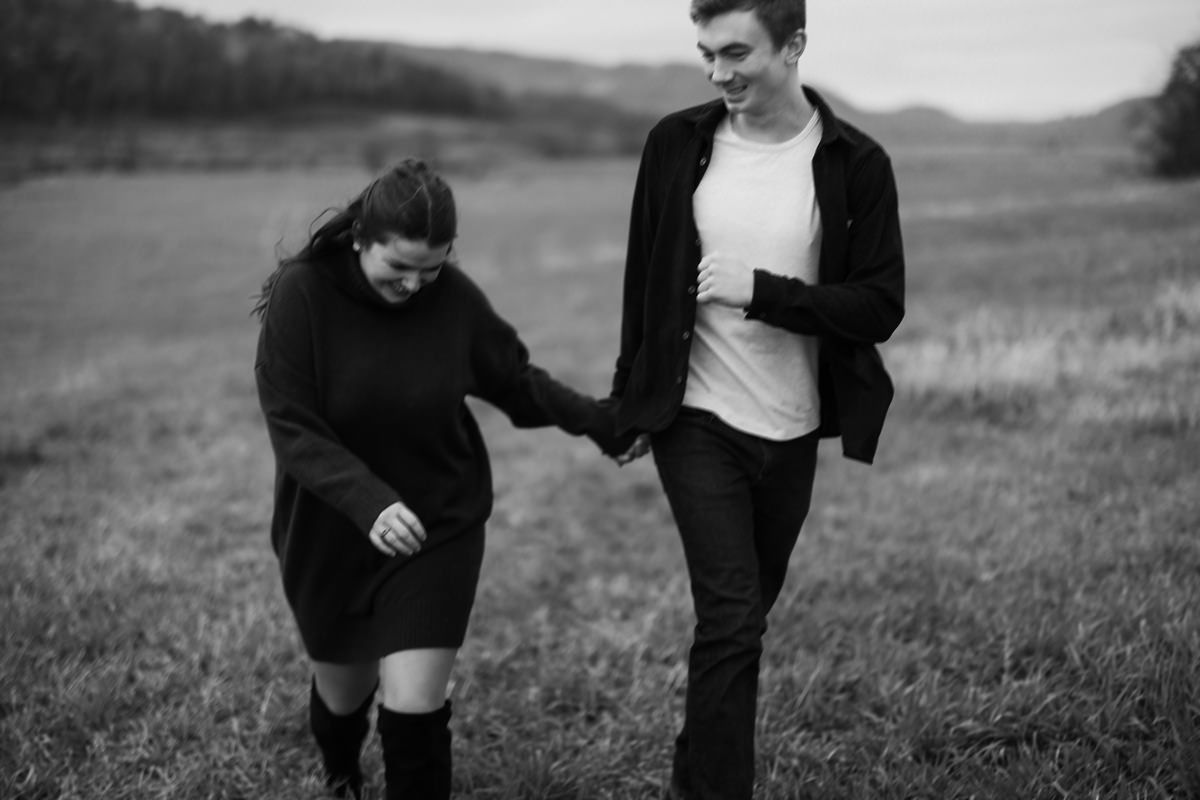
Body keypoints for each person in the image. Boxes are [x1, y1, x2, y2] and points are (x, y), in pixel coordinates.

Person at [252, 158, 633, 799]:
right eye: (397, 268)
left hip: (437, 521)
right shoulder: (304, 294)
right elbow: (293, 426)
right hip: (330, 532)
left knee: (414, 707)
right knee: (343, 695)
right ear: (359, 240)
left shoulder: (452, 299)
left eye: (430, 269)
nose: (414, 286)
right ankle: (340, 771)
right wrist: (368, 502)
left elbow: (515, 382)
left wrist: (601, 424)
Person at [608, 1, 906, 797]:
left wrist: (763, 292)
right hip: (696, 415)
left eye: (736, 52)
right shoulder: (678, 144)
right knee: (733, 618)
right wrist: (625, 399)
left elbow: (879, 305)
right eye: (706, 53)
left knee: (742, 623)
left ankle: (694, 768)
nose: (718, 72)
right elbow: (643, 276)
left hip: (792, 427)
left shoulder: (856, 164)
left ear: (795, 44)